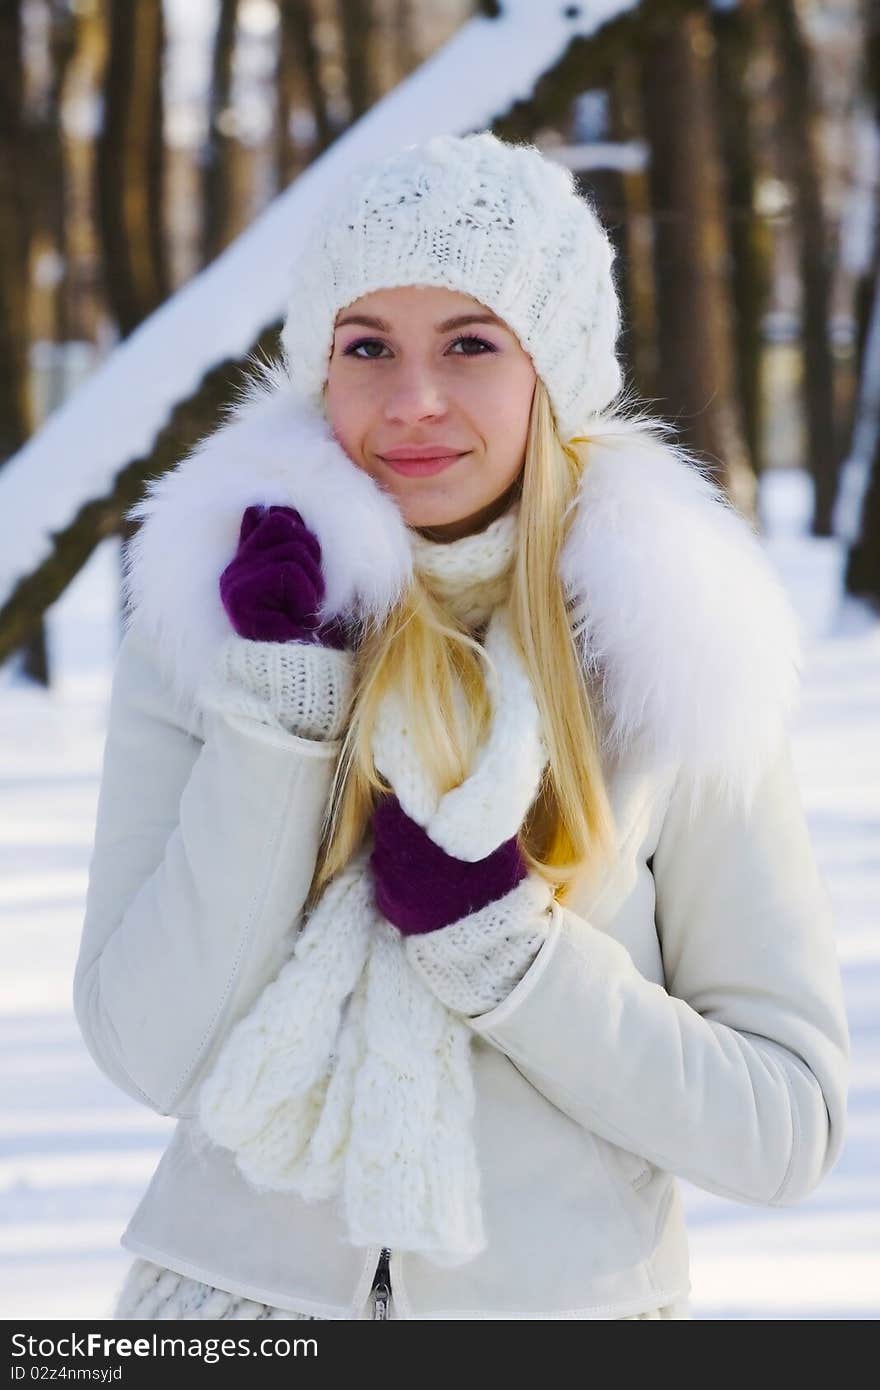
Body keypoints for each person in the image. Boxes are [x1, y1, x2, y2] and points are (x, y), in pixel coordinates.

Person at [74, 131, 850, 1322]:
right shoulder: (223, 618)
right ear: (319, 367)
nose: (413, 400)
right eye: (366, 346)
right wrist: (284, 725)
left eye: (471, 344)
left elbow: (782, 1127)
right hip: (230, 1310)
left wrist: (514, 961)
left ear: (554, 368)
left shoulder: (670, 648)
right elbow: (148, 1045)